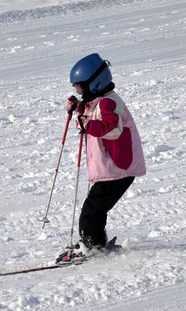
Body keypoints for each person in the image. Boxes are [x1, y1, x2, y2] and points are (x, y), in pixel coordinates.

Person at [56, 53, 146, 263]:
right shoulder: (98, 102)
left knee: (92, 211)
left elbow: (110, 128)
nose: (79, 92)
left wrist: (86, 122)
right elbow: (86, 121)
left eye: (80, 88)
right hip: (111, 168)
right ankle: (94, 243)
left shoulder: (108, 104)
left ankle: (92, 247)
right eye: (76, 89)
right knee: (95, 209)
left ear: (94, 83)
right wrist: (78, 110)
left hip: (118, 169)